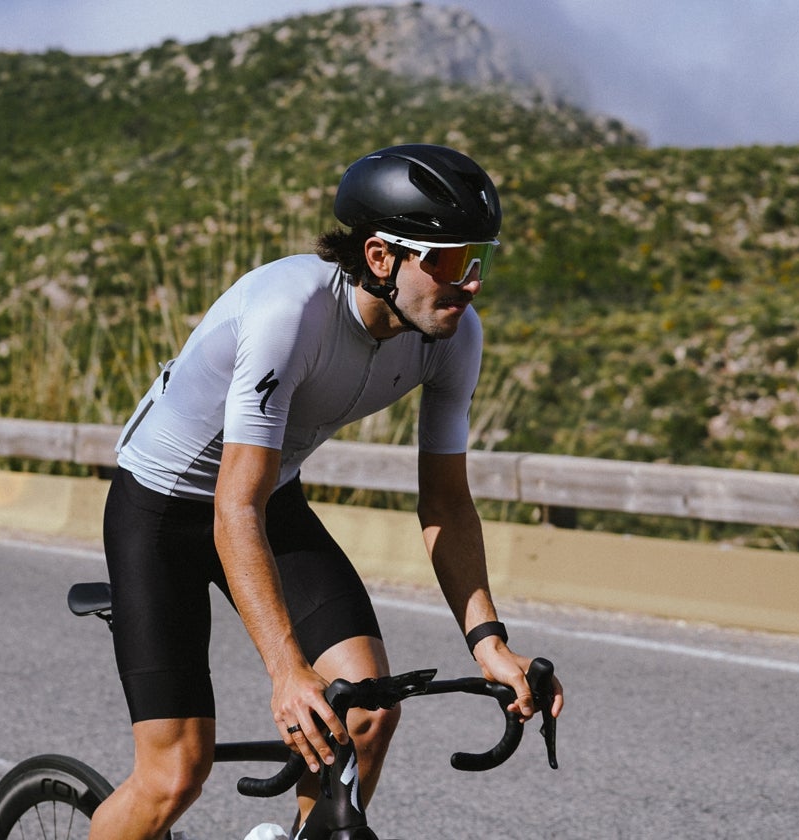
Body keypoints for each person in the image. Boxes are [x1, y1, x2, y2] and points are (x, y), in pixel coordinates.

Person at [93, 144, 564, 840]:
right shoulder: (290, 314)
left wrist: (489, 643)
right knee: (174, 776)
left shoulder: (451, 335)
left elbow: (446, 504)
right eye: (450, 262)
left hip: (267, 500)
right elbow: (233, 508)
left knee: (367, 713)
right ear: (381, 258)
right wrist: (287, 671)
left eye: (480, 262)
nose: (470, 285)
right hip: (163, 512)